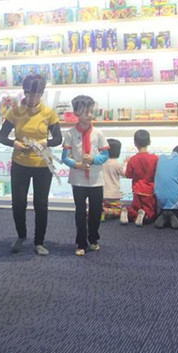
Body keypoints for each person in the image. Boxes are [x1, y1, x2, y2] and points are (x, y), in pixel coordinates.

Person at [0, 74, 62, 256]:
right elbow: (1, 137)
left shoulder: (49, 113)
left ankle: (39, 242)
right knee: (18, 203)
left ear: (42, 93)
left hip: (43, 165)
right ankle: (21, 236)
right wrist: (14, 143)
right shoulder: (15, 112)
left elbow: (58, 139)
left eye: (37, 94)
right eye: (29, 93)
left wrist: (45, 142)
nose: (32, 98)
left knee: (41, 204)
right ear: (24, 92)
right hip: (20, 164)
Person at [62, 95, 109, 256]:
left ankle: (93, 238)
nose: (89, 115)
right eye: (85, 112)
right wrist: (77, 164)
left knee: (96, 211)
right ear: (76, 112)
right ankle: (81, 243)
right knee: (80, 212)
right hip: (78, 180)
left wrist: (94, 160)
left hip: (96, 179)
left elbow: (105, 155)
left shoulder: (98, 133)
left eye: (91, 111)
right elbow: (65, 157)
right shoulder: (70, 134)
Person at [120, 130, 158, 226]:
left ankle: (128, 213)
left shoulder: (132, 159)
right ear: (149, 142)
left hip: (137, 190)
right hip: (149, 191)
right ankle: (144, 215)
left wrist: (125, 164)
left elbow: (128, 175)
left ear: (135, 143)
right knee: (151, 211)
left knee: (135, 208)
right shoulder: (155, 158)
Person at [154, 145, 178, 229]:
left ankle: (165, 215)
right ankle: (173, 215)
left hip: (160, 199)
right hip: (176, 200)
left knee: (164, 207)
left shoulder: (161, 158)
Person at [102, 139, 125, 221]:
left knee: (100, 205)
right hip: (114, 195)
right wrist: (126, 164)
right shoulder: (117, 164)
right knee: (120, 211)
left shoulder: (101, 163)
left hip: (101, 194)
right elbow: (125, 174)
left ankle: (100, 211)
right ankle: (105, 211)